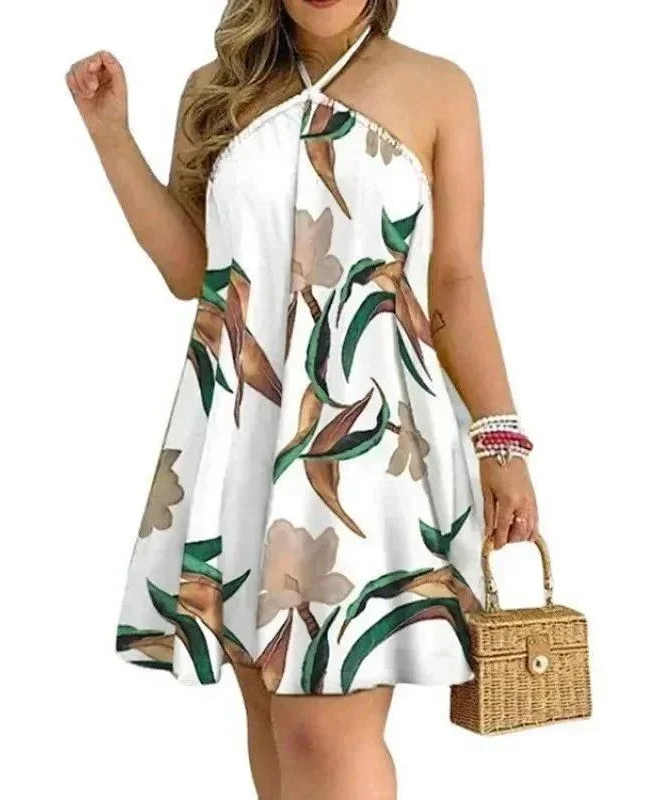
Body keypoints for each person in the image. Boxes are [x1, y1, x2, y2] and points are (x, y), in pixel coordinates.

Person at [67, 1, 540, 798]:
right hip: (244, 425)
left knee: (321, 733)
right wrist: (111, 134)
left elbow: (457, 279)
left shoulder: (438, 88)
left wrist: (501, 442)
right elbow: (190, 272)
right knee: (277, 734)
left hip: (371, 440)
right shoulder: (219, 87)